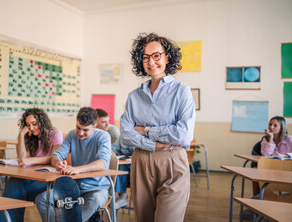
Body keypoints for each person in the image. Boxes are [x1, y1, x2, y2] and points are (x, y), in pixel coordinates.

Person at [120, 32, 196, 222]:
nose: (151, 62)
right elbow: (126, 135)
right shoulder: (133, 96)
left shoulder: (182, 91)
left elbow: (184, 135)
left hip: (172, 161)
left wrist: (145, 131)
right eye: (145, 58)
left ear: (167, 56)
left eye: (156, 56)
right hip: (141, 162)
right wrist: (155, 145)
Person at [35, 107, 111, 222]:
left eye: (85, 130)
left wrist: (78, 169)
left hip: (97, 189)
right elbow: (56, 155)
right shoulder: (71, 135)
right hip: (74, 187)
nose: (80, 133)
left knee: (94, 200)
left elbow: (102, 164)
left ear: (95, 126)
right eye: (78, 127)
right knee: (42, 199)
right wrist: (58, 163)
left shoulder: (103, 137)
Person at [0, 108, 63, 222]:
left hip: (49, 178)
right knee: (14, 182)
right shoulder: (31, 137)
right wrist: (21, 134)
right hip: (31, 175)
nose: (31, 128)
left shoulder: (56, 134)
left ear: (42, 122)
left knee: (19, 190)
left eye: (34, 124)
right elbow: (23, 157)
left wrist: (31, 161)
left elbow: (54, 158)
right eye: (28, 125)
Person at [96, 108, 133, 209]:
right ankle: (121, 197)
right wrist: (108, 152)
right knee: (117, 166)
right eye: (104, 122)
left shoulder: (112, 131)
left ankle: (123, 197)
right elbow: (114, 149)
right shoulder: (122, 137)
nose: (108, 124)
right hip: (122, 168)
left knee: (121, 166)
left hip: (135, 168)